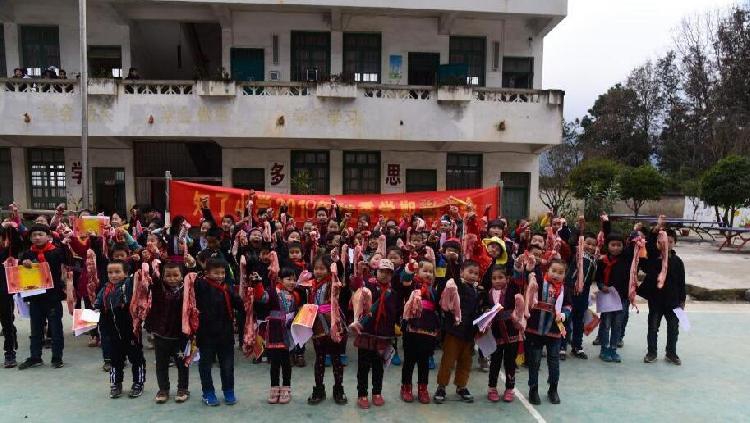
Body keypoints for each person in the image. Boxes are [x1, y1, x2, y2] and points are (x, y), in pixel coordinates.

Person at [350, 259, 403, 409]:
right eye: (381, 271)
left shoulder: (394, 293)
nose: (384, 275)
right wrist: (358, 272)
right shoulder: (367, 286)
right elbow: (354, 285)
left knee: (379, 366)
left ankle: (377, 393)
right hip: (366, 334)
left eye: (388, 272)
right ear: (376, 271)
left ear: (392, 275)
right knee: (363, 366)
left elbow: (396, 312)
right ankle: (362, 394)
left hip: (383, 336)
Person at [195, 258, 245, 406]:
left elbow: (239, 304)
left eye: (222, 273)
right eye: (216, 273)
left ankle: (229, 391)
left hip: (226, 334)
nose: (220, 276)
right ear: (206, 273)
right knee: (205, 365)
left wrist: (246, 300)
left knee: (227, 365)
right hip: (206, 334)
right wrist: (191, 265)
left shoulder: (228, 288)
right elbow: (192, 280)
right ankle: (208, 392)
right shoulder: (201, 285)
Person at [18, 225, 69, 370]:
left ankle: (57, 358)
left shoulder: (56, 251)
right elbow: (20, 271)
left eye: (40, 234)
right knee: (36, 330)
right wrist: (24, 263)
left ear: (48, 237)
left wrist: (65, 243)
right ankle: (35, 357)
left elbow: (68, 260)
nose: (37, 237)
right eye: (34, 235)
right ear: (30, 238)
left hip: (53, 297)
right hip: (35, 298)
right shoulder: (28, 253)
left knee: (56, 329)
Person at [94, 260, 146, 399]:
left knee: (136, 358)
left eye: (117, 272)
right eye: (110, 272)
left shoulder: (129, 285)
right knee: (115, 360)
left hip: (131, 331)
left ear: (126, 273)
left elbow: (139, 279)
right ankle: (116, 383)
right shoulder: (105, 289)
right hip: (113, 332)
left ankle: (138, 382)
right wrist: (95, 309)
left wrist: (140, 263)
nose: (113, 275)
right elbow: (98, 303)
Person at [434, 260, 482, 404]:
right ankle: (441, 387)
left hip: (469, 334)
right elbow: (453, 274)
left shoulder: (477, 291)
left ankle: (461, 386)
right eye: (470, 272)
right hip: (454, 332)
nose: (473, 276)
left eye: (476, 273)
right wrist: (453, 261)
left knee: (465, 362)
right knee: (447, 361)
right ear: (461, 272)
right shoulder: (457, 286)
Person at [525, 259, 571, 405]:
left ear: (565, 275)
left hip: (554, 331)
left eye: (560, 272)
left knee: (554, 361)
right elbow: (529, 275)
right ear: (547, 270)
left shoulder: (565, 289)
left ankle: (553, 389)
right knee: (535, 361)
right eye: (553, 271)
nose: (556, 275)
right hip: (535, 330)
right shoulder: (538, 282)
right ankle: (533, 389)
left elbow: (568, 305)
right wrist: (529, 268)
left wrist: (564, 314)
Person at [637, 227, 686, 365]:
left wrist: (682, 301)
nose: (666, 244)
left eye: (670, 241)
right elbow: (644, 264)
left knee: (674, 328)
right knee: (653, 327)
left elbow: (681, 283)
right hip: (656, 301)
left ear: (674, 243)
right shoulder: (652, 260)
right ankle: (651, 353)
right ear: (658, 243)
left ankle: (671, 353)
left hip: (673, 302)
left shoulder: (678, 262)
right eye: (663, 241)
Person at [145, 261, 191, 404]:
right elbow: (150, 277)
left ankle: (183, 388)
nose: (172, 278)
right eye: (168, 275)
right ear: (163, 276)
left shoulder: (187, 289)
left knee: (182, 364)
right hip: (161, 335)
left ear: (182, 276)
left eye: (176, 275)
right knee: (161, 365)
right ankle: (163, 389)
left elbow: (194, 275)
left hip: (180, 336)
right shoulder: (158, 289)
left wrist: (192, 264)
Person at [254, 267, 302, 404]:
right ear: (280, 280)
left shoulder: (296, 295)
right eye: (288, 279)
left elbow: (297, 311)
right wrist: (258, 283)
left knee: (287, 362)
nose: (292, 282)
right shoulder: (272, 291)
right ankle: (274, 388)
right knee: (274, 362)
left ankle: (286, 388)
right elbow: (261, 298)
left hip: (288, 332)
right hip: (274, 331)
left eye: (294, 279)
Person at [307, 255, 348, 406]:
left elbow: (340, 274)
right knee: (319, 359)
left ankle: (338, 389)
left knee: (336, 358)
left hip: (333, 325)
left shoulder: (333, 282)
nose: (318, 271)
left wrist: (337, 262)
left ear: (329, 269)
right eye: (316, 268)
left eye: (322, 268)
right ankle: (319, 389)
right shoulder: (310, 285)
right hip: (317, 325)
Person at [399, 259, 439, 404]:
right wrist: (410, 267)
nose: (428, 274)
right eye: (425, 271)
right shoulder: (411, 286)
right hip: (411, 330)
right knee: (409, 361)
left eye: (431, 271)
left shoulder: (434, 291)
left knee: (424, 362)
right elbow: (405, 279)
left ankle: (423, 388)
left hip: (428, 332)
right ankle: (406, 387)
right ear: (417, 272)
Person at [482, 266, 523, 403]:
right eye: (494, 278)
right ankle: (492, 388)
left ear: (507, 279)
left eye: (500, 277)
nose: (497, 280)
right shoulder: (488, 293)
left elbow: (519, 279)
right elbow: (485, 307)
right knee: (495, 361)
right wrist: (487, 311)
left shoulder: (512, 289)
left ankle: (509, 389)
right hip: (496, 333)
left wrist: (518, 266)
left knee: (510, 362)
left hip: (511, 332)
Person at [595, 232, 630, 363]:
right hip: (607, 299)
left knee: (617, 325)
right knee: (606, 325)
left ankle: (613, 350)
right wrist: (601, 286)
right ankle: (604, 349)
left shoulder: (626, 260)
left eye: (619, 245)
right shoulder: (602, 261)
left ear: (623, 246)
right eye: (613, 245)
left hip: (622, 299)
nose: (616, 248)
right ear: (607, 246)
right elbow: (598, 278)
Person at [565, 232, 598, 359]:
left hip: (583, 295)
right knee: (566, 319)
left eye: (593, 245)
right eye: (588, 243)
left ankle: (577, 346)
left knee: (579, 321)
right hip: (570, 293)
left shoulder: (594, 260)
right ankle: (562, 346)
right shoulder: (576, 254)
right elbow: (571, 240)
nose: (590, 247)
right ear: (581, 243)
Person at [0, 222, 22, 368]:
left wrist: (11, 227)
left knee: (6, 322)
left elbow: (17, 243)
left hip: (3, 292)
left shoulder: (6, 252)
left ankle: (9, 352)